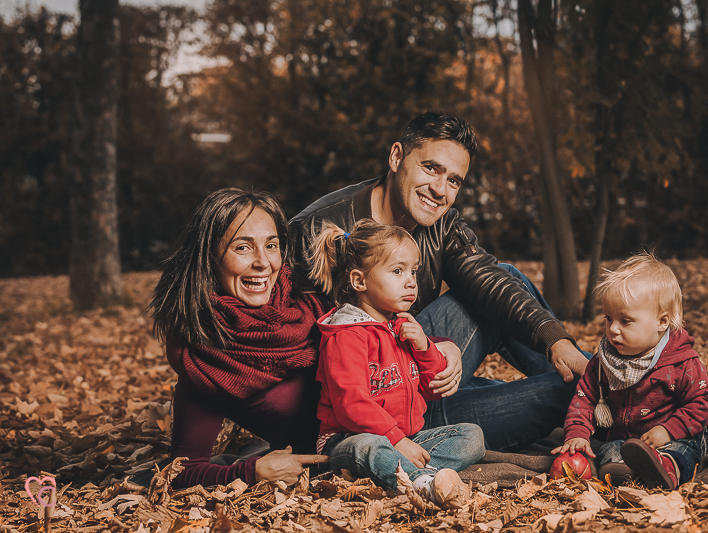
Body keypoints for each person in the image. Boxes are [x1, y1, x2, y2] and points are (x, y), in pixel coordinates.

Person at [290, 111, 589, 452]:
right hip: (371, 413)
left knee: (505, 279)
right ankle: (615, 399)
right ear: (396, 157)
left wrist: (558, 343)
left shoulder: (441, 223)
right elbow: (311, 348)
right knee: (567, 393)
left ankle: (619, 385)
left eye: (454, 180)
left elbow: (486, 277)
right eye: (431, 168)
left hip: (417, 374)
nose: (440, 189)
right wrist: (433, 344)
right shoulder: (319, 228)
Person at [149, 188, 329, 489]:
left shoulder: (312, 304)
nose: (263, 262)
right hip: (353, 450)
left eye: (271, 245)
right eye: (243, 248)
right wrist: (252, 470)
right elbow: (181, 471)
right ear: (209, 257)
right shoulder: (209, 355)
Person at [308, 220, 485, 507]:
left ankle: (400, 472)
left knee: (471, 436)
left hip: (405, 439)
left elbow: (433, 389)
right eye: (397, 271)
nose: (411, 281)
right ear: (359, 281)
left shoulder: (400, 327)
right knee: (369, 446)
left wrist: (425, 347)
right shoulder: (346, 335)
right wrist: (397, 441)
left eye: (413, 271)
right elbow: (351, 404)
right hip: (347, 442)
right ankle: (421, 482)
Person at [552, 252, 708, 490]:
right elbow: (584, 398)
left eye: (625, 321)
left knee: (686, 448)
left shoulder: (681, 363)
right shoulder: (604, 361)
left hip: (674, 433)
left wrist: (668, 431)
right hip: (627, 438)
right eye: (609, 318)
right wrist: (577, 434)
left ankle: (667, 469)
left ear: (662, 322)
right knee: (611, 449)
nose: (613, 329)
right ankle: (622, 471)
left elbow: (701, 403)